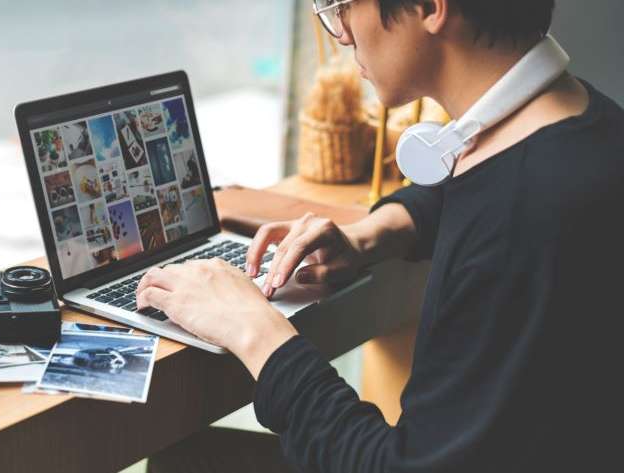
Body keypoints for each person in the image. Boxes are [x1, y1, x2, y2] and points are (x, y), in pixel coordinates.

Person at [138, 0, 624, 471]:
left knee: (189, 461)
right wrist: (371, 234)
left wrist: (255, 331)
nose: (342, 31)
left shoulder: (523, 217)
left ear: (432, 7)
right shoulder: (582, 123)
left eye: (344, 5)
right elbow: (464, 192)